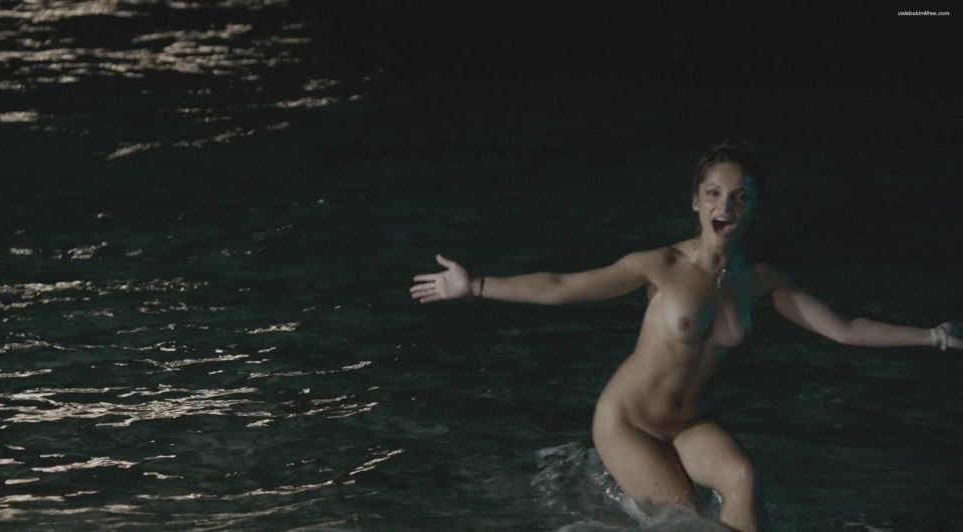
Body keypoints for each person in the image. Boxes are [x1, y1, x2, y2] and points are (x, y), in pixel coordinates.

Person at [408, 141, 961, 531]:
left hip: (691, 423)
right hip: (628, 422)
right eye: (714, 193)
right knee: (688, 521)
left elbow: (846, 330)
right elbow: (562, 287)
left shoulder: (761, 282)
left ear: (754, 207)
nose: (726, 206)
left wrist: (934, 336)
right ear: (696, 201)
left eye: (740, 197)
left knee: (743, 477)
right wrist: (474, 286)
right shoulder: (661, 265)